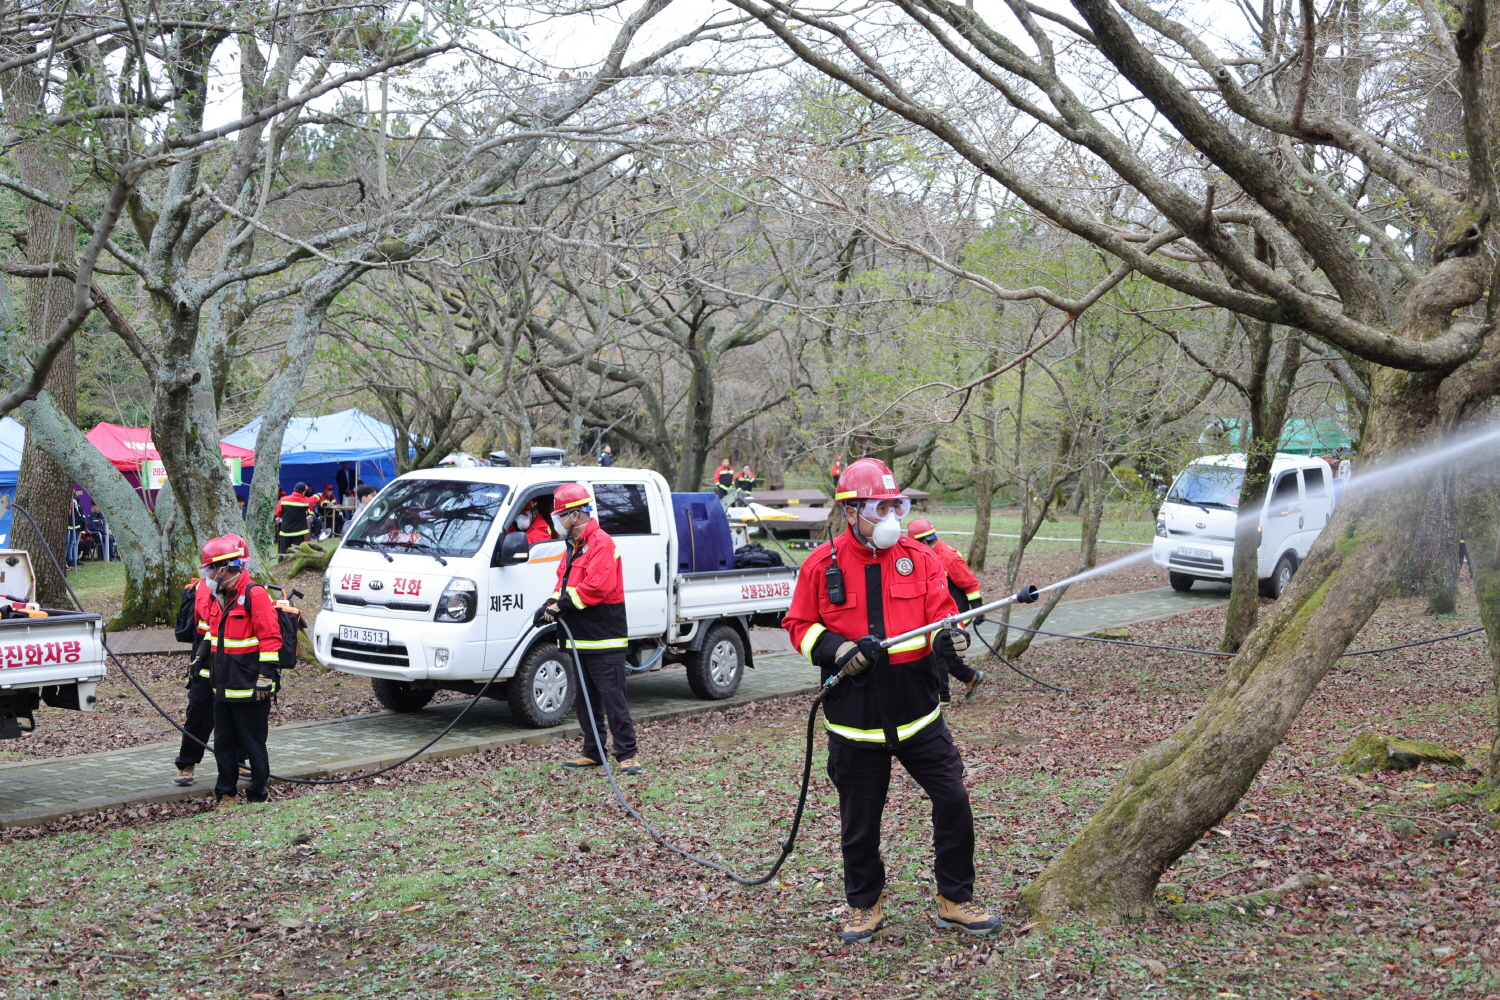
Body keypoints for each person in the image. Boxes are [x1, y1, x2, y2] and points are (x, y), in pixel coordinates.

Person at [783, 457, 998, 944]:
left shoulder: (921, 559)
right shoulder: (821, 564)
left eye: (894, 506)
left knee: (954, 800)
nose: (890, 518)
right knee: (860, 823)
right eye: (880, 508)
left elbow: (945, 614)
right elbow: (798, 625)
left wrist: (951, 638)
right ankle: (864, 904)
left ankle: (955, 899)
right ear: (851, 511)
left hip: (918, 715)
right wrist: (837, 650)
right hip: (855, 722)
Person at [535, 482, 641, 775]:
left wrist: (560, 608)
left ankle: (628, 755)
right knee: (586, 702)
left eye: (560, 516)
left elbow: (596, 588)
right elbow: (564, 585)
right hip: (579, 639)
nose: (556, 522)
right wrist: (548, 605)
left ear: (576, 515)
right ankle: (593, 752)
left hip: (604, 639)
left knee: (613, 699)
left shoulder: (602, 543)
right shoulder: (573, 547)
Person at [199, 534, 283, 806]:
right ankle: (226, 793)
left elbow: (271, 638)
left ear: (224, 569)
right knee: (223, 744)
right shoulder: (220, 595)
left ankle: (258, 794)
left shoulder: (255, 594)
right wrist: (200, 658)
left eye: (210, 569)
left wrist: (265, 677)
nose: (207, 575)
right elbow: (213, 633)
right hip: (223, 685)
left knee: (253, 744)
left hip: (250, 686)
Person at [906, 519, 986, 706]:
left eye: (931, 538)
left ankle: (942, 697)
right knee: (938, 650)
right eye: (921, 541)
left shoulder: (947, 556)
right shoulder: (915, 556)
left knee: (938, 652)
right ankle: (971, 677)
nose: (927, 544)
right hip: (932, 609)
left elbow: (970, 583)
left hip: (954, 611)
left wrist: (977, 609)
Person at [275, 483, 315, 555]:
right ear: (303, 492)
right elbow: (313, 500)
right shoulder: (304, 501)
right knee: (296, 553)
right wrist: (318, 495)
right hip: (298, 532)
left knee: (283, 553)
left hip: (285, 531)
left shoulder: (283, 500)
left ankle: (281, 565)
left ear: (294, 490)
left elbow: (278, 513)